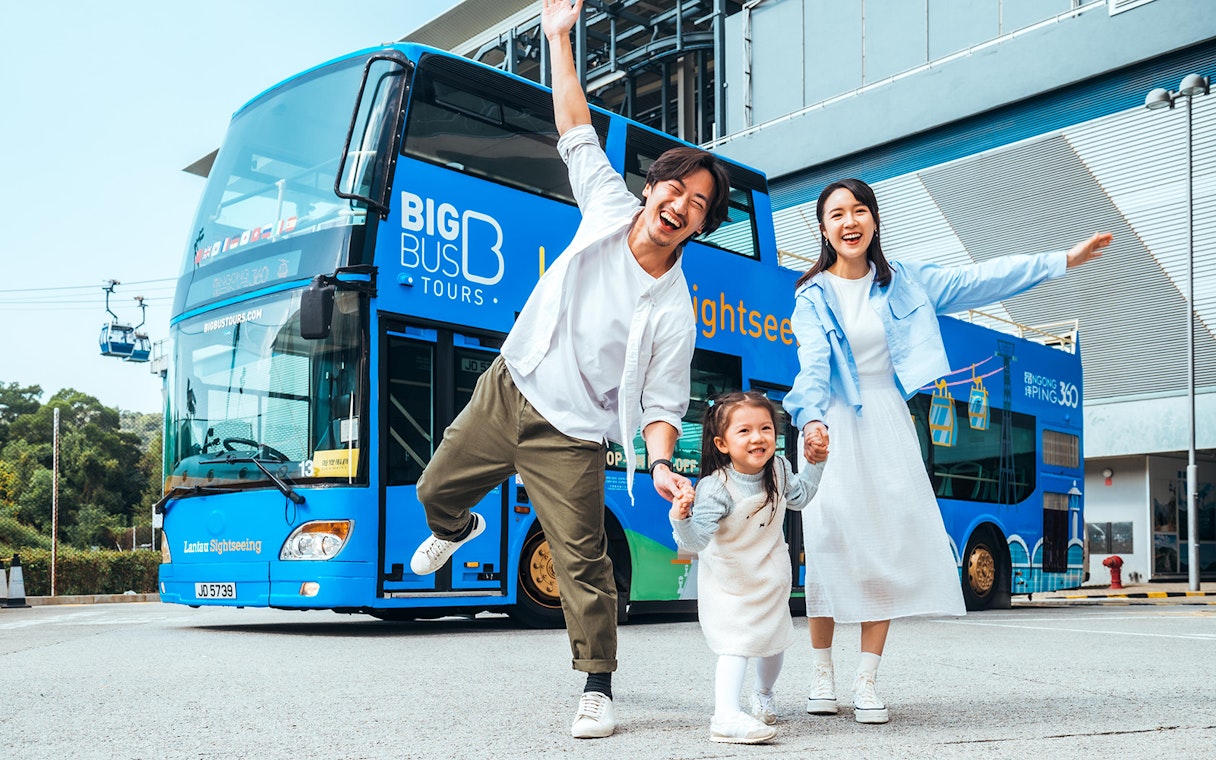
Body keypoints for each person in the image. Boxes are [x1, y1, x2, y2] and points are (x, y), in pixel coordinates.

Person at [407, 0, 733, 740]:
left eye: (698, 204)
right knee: (433, 491)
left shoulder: (675, 310)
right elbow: (575, 128)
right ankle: (456, 528)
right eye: (675, 189)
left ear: (700, 225)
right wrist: (558, 36)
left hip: (574, 435)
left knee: (583, 563)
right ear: (651, 188)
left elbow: (663, 402)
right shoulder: (606, 205)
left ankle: (597, 687)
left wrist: (660, 463)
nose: (680, 205)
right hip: (508, 388)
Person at [784, 177, 1111, 724]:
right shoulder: (811, 295)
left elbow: (980, 280)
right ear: (823, 228)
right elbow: (813, 364)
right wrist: (811, 419)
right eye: (837, 214)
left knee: (884, 550)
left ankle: (866, 681)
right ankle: (822, 673)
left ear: (874, 220)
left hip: (887, 420)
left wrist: (1063, 260)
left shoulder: (907, 281)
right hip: (832, 422)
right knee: (829, 546)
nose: (849, 222)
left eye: (859, 210)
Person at [669, 391, 825, 744]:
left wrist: (816, 463)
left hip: (768, 576)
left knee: (773, 642)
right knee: (735, 644)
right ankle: (725, 715)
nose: (758, 437)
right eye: (745, 431)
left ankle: (763, 694)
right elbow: (695, 541)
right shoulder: (714, 488)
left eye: (765, 428)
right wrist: (680, 518)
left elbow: (800, 498)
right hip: (729, 582)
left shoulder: (780, 469)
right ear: (722, 443)